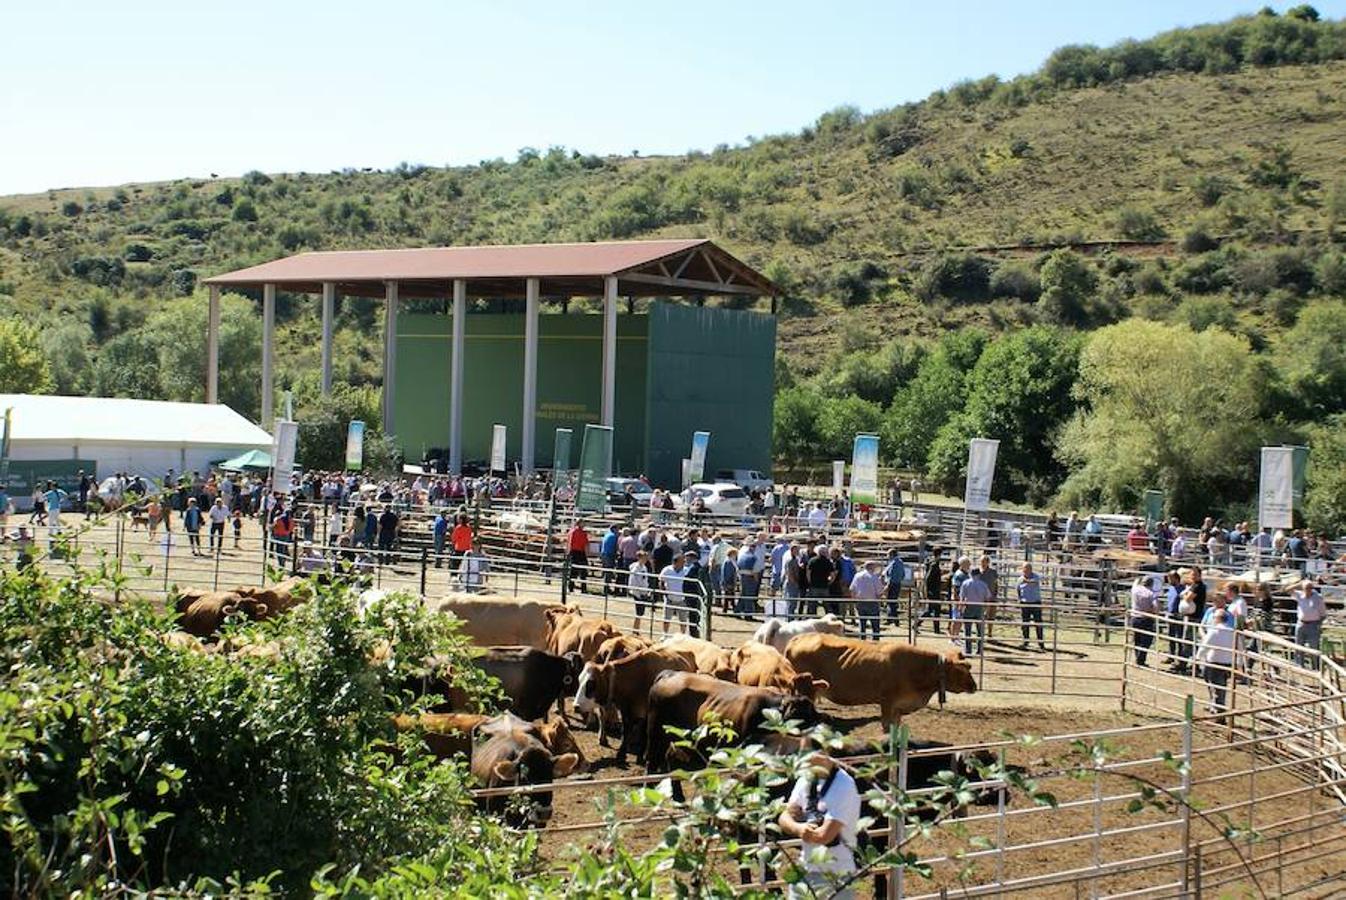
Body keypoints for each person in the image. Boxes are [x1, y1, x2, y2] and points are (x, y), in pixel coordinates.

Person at [778, 750, 862, 899]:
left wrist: (801, 828)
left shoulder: (844, 786)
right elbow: (784, 817)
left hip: (837, 873)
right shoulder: (805, 780)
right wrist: (799, 828)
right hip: (806, 869)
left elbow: (825, 836)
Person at [1196, 609, 1238, 714]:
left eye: (1214, 617)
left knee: (1215, 684)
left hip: (1214, 661)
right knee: (1220, 684)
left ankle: (1218, 706)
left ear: (1218, 619)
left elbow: (1205, 645)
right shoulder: (1232, 631)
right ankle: (1215, 704)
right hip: (1228, 661)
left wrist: (1197, 657)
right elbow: (1239, 646)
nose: (1213, 619)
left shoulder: (1214, 630)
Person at [1291, 578, 1325, 669]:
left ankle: (1315, 667)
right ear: (1303, 588)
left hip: (1313, 624)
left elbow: (1323, 613)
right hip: (1301, 623)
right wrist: (1299, 583)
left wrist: (1318, 624)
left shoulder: (1318, 597)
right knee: (1299, 646)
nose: (1308, 590)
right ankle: (1299, 665)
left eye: (1310, 587)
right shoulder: (1300, 595)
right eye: (1306, 588)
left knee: (1314, 647)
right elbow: (1286, 589)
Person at [958, 566, 990, 656]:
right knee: (980, 630)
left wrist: (960, 608)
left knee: (967, 629)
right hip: (979, 606)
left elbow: (962, 597)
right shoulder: (983, 584)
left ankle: (968, 650)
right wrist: (986, 610)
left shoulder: (965, 583)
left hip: (969, 606)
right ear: (978, 575)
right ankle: (979, 650)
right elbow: (987, 597)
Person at [1129, 575, 1158, 667]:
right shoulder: (1151, 593)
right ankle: (1140, 659)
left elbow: (1135, 583)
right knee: (1146, 640)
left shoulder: (1135, 590)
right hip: (1146, 618)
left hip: (1135, 617)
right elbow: (1156, 608)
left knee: (1137, 639)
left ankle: (1138, 657)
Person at [850, 560, 884, 640]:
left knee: (862, 623)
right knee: (875, 624)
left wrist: (854, 600)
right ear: (872, 567)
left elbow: (852, 589)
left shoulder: (857, 576)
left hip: (860, 601)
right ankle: (875, 641)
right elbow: (879, 592)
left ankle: (862, 640)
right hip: (872, 602)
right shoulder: (874, 577)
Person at [1016, 562, 1046, 650]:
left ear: (1031, 569)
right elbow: (1018, 589)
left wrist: (1026, 581)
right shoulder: (1020, 579)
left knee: (1038, 623)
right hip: (1025, 603)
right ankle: (1026, 641)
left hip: (1035, 602)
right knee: (1025, 623)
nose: (1025, 570)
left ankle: (1040, 643)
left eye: (1027, 568)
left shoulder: (1035, 576)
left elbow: (1034, 582)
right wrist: (1019, 598)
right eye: (1024, 568)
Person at [659, 554, 688, 635]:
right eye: (682, 561)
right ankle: (665, 634)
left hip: (682, 599)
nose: (684, 563)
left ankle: (683, 635)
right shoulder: (667, 570)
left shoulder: (686, 570)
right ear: (676, 562)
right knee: (666, 618)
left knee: (683, 619)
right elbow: (661, 581)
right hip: (670, 599)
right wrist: (664, 593)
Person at [681, 549, 705, 638]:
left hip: (692, 594)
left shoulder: (693, 568)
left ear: (691, 558)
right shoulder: (698, 567)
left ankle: (693, 634)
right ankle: (695, 633)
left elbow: (687, 581)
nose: (686, 560)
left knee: (693, 616)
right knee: (695, 615)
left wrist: (686, 594)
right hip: (695, 594)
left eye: (687, 558)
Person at [629, 550, 653, 631]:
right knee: (638, 612)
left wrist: (647, 591)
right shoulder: (635, 569)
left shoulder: (644, 567)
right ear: (639, 558)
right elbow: (633, 582)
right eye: (643, 558)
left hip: (643, 592)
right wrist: (638, 594)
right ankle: (635, 629)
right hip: (638, 593)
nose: (645, 560)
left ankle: (636, 629)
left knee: (640, 613)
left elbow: (645, 580)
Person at [882, 549, 905, 627]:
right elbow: (903, 575)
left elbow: (891, 575)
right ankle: (890, 619)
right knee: (892, 602)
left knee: (891, 602)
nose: (887, 556)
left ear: (891, 555)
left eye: (888, 555)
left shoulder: (893, 563)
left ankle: (895, 620)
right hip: (898, 584)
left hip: (892, 584)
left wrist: (887, 585)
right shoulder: (901, 562)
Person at [567, 520, 590, 594]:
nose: (584, 524)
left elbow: (569, 542)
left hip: (572, 552)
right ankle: (583, 588)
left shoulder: (571, 532)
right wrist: (587, 554)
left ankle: (570, 587)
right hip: (580, 552)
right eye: (583, 522)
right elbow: (586, 544)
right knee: (583, 572)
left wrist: (568, 552)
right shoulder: (582, 533)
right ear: (580, 523)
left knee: (573, 571)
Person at [600, 524, 620, 595]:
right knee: (609, 572)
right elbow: (616, 547)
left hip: (604, 554)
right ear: (614, 529)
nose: (618, 530)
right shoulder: (614, 536)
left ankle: (606, 588)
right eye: (617, 529)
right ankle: (606, 589)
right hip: (609, 555)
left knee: (606, 572)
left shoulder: (606, 535)